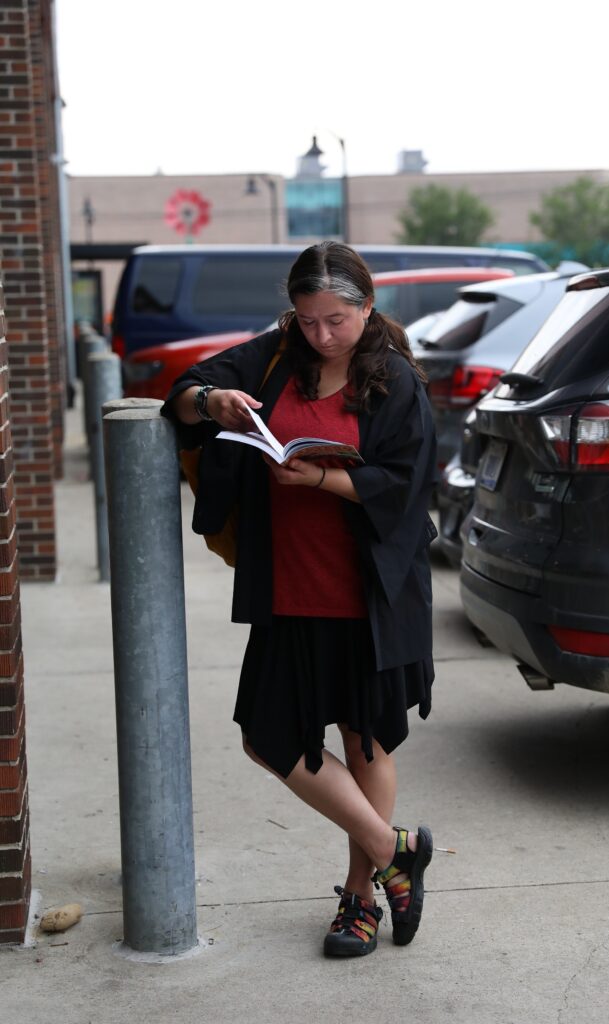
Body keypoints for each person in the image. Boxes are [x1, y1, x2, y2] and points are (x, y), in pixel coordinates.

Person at [163, 241, 438, 958]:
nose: (320, 334)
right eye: (308, 319)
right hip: (288, 586)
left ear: (366, 306)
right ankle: (394, 849)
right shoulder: (276, 355)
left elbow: (405, 486)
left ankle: (358, 900)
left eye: (335, 321)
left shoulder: (394, 381)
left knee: (363, 737)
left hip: (368, 592)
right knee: (267, 735)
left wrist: (319, 481)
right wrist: (211, 400)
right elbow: (184, 391)